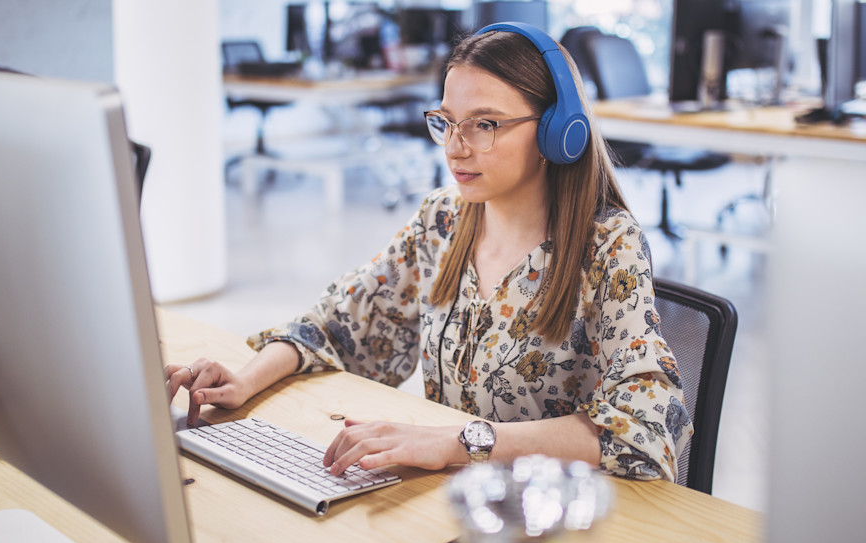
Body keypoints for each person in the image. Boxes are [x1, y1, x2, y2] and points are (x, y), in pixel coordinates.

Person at [167, 24, 692, 482]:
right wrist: (244, 379)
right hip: (452, 499)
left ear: (560, 132)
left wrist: (458, 443)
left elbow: (643, 427)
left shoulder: (607, 244)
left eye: (485, 124)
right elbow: (338, 325)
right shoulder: (444, 219)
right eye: (447, 121)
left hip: (555, 514)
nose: (455, 146)